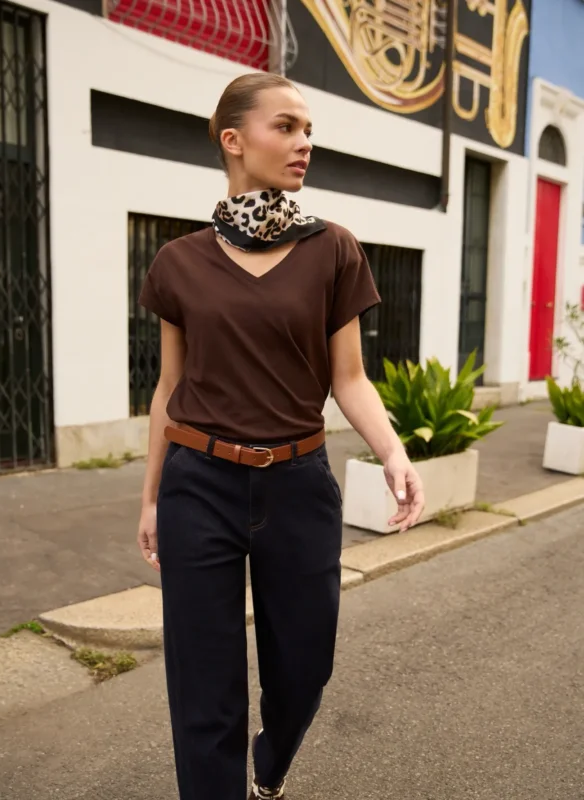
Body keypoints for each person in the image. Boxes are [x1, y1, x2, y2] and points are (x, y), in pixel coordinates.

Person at [136, 72, 425, 800]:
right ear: (234, 140)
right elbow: (169, 390)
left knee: (303, 670)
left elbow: (350, 378)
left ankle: (272, 762)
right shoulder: (179, 262)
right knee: (203, 686)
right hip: (198, 484)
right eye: (287, 127)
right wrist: (151, 498)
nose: (304, 144)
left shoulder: (334, 250)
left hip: (298, 486)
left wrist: (393, 453)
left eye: (308, 131)